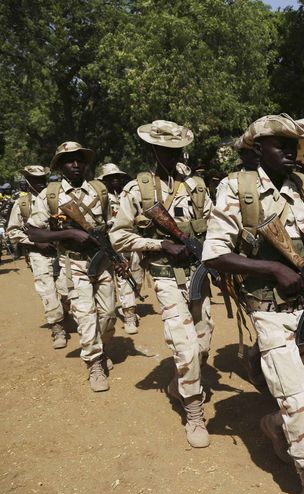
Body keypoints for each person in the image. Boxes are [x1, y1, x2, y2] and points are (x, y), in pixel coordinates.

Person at [203, 115, 304, 494]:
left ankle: (274, 425)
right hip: (269, 313)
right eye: (277, 142)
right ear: (256, 147)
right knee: (299, 404)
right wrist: (271, 270)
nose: (288, 149)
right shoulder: (237, 189)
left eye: (292, 143)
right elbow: (213, 254)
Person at [110, 120, 214, 448]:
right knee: (184, 349)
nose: (172, 156)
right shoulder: (138, 189)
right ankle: (194, 412)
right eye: (165, 150)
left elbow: (213, 225)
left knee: (203, 345)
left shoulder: (196, 185)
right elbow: (117, 235)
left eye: (176, 150)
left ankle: (178, 384)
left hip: (198, 274)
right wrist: (160, 245)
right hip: (167, 277)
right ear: (153, 150)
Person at [26, 142, 117, 392]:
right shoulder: (51, 195)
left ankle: (102, 344)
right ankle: (94, 362)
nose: (75, 164)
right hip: (72, 262)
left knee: (108, 314)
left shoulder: (100, 191)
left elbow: (113, 226)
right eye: (69, 160)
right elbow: (33, 232)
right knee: (86, 314)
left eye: (79, 159)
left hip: (102, 261)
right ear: (60, 165)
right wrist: (67, 234)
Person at [5, 165, 70, 348]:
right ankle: (57, 328)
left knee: (66, 289)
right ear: (27, 181)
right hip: (38, 254)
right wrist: (35, 242)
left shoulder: (56, 197)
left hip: (62, 251)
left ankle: (66, 312)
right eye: (35, 179)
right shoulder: (22, 204)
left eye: (43, 179)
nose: (40, 183)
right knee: (47, 291)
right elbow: (13, 232)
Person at [96, 163, 145, 335]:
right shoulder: (101, 198)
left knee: (136, 279)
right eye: (110, 178)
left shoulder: (127, 195)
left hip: (131, 242)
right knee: (122, 278)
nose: (115, 180)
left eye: (117, 177)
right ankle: (129, 316)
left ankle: (126, 305)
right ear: (104, 181)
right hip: (109, 244)